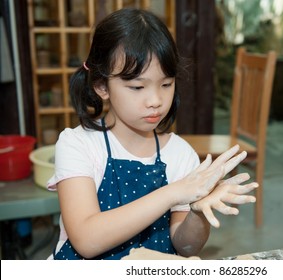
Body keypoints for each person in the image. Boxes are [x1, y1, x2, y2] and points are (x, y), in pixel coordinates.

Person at [47, 8, 258, 260]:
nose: (156, 100)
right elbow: (86, 240)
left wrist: (197, 211)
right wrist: (175, 192)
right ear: (102, 85)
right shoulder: (77, 144)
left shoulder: (179, 154)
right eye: (137, 87)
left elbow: (186, 247)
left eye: (166, 84)